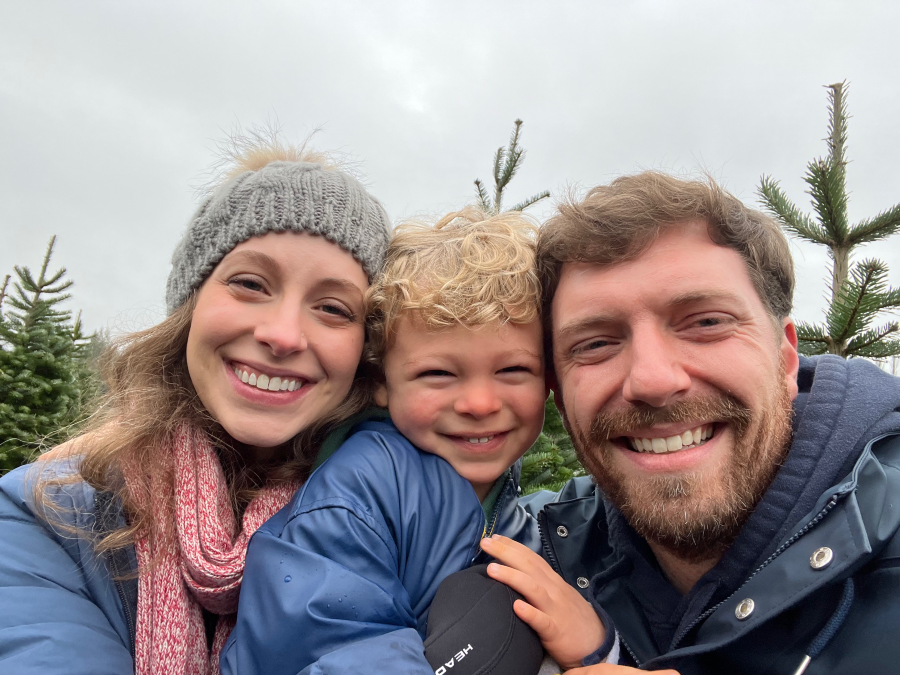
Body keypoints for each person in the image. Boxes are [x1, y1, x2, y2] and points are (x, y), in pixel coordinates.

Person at [0, 139, 393, 675]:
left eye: (332, 307)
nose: (282, 335)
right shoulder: (45, 516)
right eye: (250, 284)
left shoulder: (396, 523)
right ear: (190, 306)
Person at [493, 171, 900, 674]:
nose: (652, 380)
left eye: (706, 322)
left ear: (786, 357)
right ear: (557, 390)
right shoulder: (531, 549)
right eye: (595, 343)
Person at [220, 208, 617, 675]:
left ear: (547, 379)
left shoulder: (517, 512)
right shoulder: (361, 493)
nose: (479, 403)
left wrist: (598, 646)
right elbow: (337, 650)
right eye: (438, 374)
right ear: (382, 383)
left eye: (512, 370)